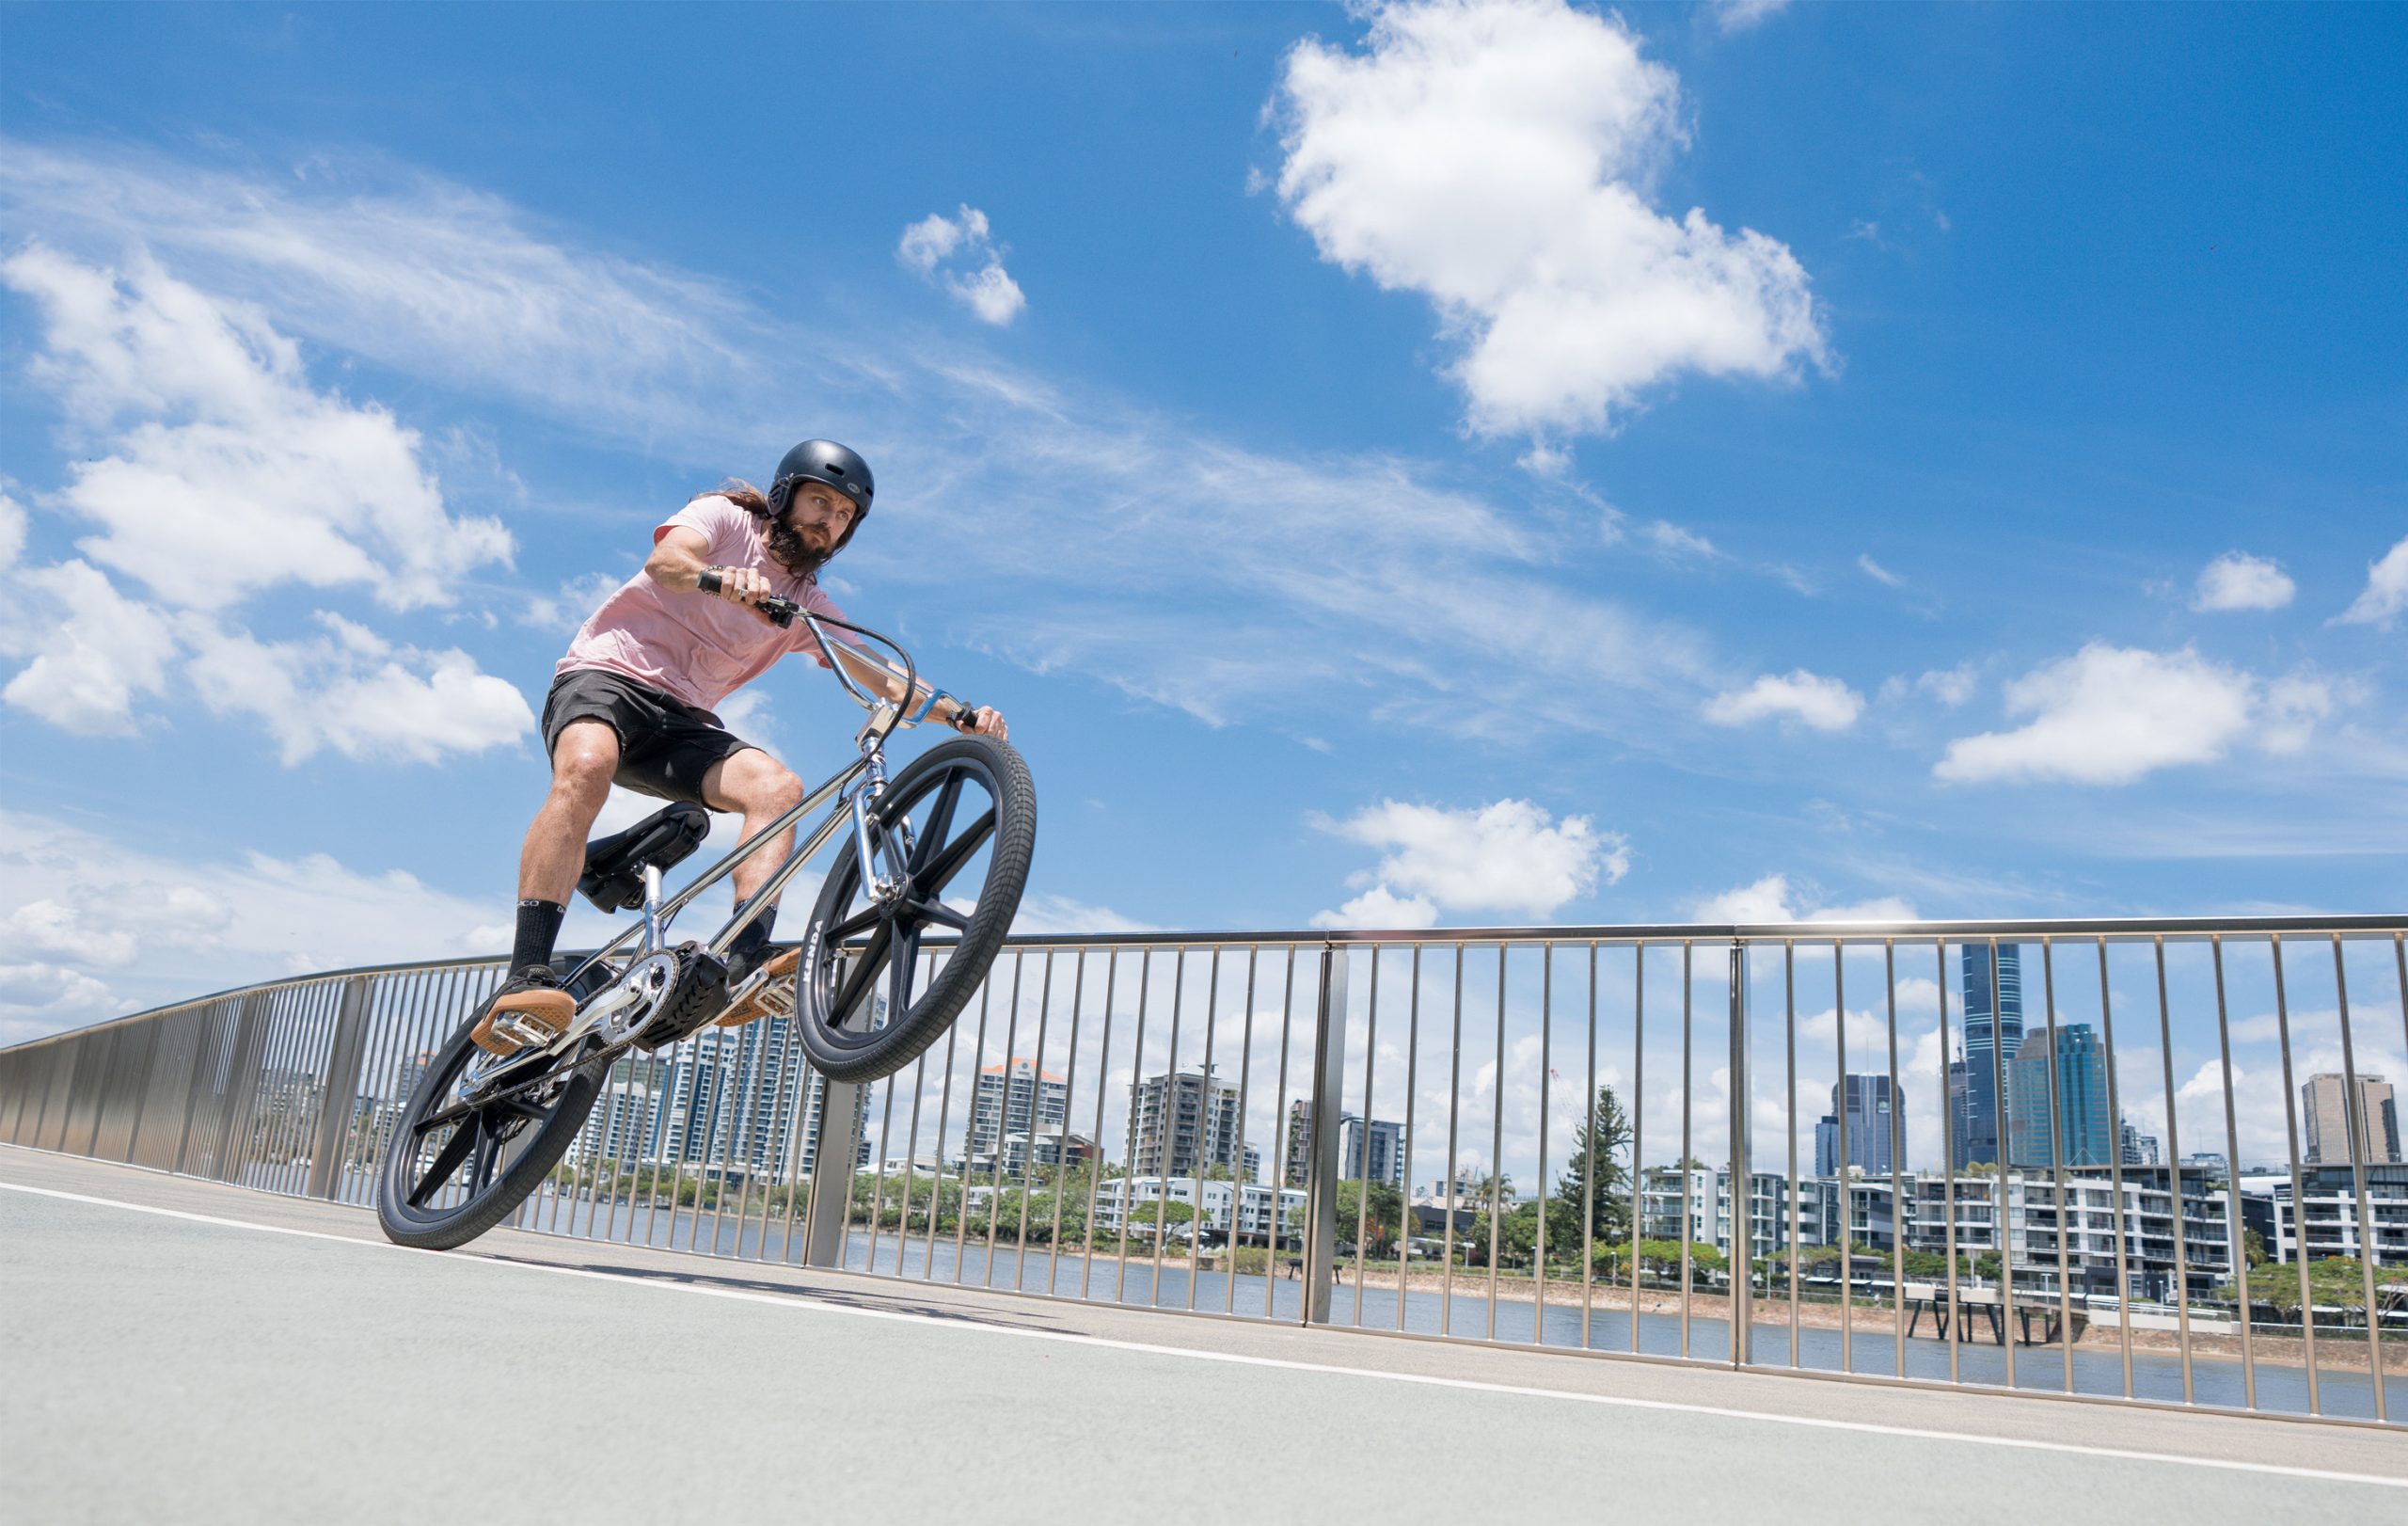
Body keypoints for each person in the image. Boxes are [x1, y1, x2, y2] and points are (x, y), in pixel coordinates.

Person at [472, 438, 1006, 1055]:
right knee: (587, 767)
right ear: (783, 497)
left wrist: (961, 714)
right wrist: (719, 579)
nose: (828, 522)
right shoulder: (727, 521)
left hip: (682, 723)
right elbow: (666, 562)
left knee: (778, 787)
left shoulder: (805, 605)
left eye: (843, 517)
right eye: (819, 503)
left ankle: (745, 958)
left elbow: (884, 677)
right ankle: (526, 974)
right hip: (607, 678)